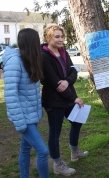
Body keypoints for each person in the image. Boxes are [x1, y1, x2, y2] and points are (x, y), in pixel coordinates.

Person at [41, 24, 88, 176]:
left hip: (67, 95)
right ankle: (57, 164)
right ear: (49, 37)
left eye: (62, 36)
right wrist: (74, 98)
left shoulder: (63, 52)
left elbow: (73, 71)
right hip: (54, 100)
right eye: (57, 36)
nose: (61, 39)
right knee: (55, 133)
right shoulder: (43, 55)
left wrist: (67, 81)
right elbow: (54, 83)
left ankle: (74, 151)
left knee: (77, 121)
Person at [2, 28, 49, 178]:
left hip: (31, 115)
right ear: (31, 43)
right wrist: (20, 123)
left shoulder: (28, 59)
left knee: (25, 149)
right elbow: (10, 95)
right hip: (23, 117)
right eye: (37, 41)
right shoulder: (15, 62)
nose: (39, 44)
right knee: (43, 151)